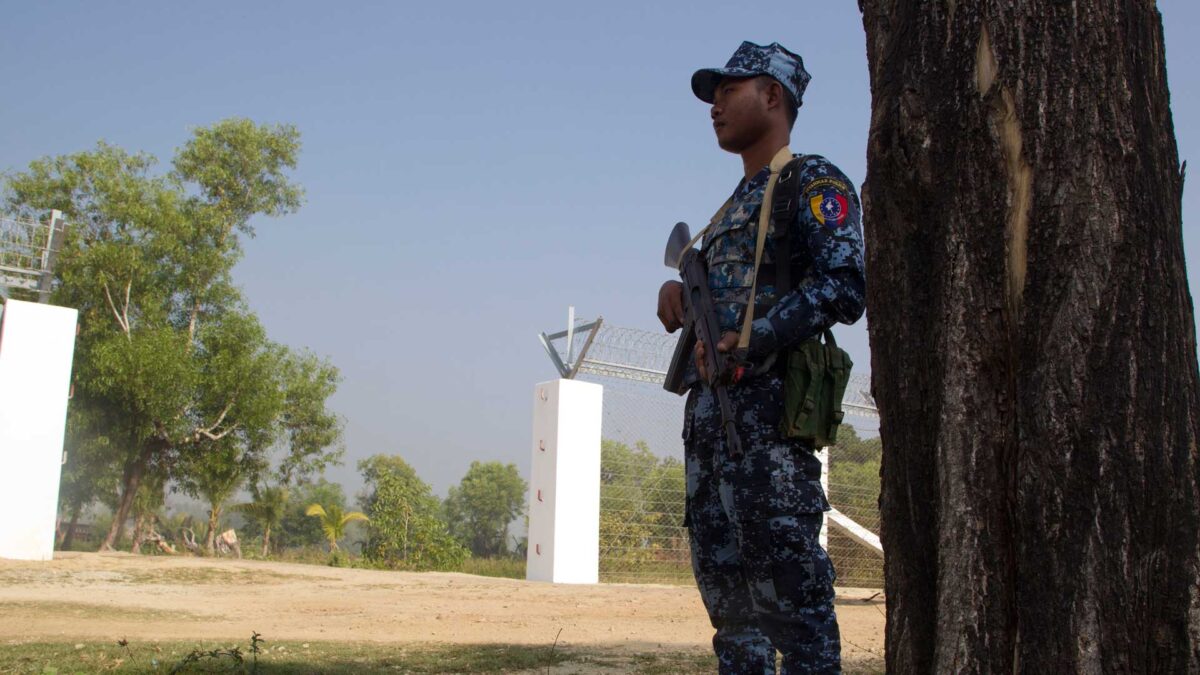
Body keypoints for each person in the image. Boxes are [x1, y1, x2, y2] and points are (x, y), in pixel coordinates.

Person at [656, 41, 865, 674]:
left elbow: (845, 283)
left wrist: (759, 335)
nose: (715, 105)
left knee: (797, 609)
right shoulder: (728, 212)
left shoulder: (811, 180)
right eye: (712, 94)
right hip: (712, 420)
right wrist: (677, 297)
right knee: (733, 614)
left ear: (772, 96)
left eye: (729, 90)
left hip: (769, 421)